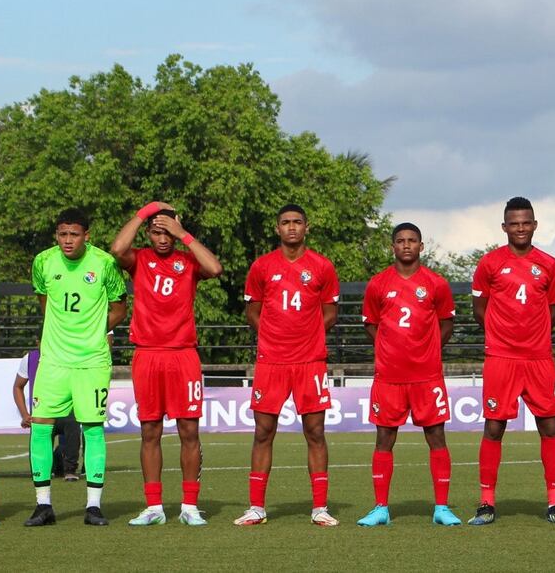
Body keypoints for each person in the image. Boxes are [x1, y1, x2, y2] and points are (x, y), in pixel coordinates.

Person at [111, 201, 223, 526]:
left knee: (189, 430)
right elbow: (118, 247)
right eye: (157, 232)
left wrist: (183, 233)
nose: (162, 238)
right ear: (148, 233)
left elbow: (215, 269)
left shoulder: (188, 262)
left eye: (167, 232)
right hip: (147, 354)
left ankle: (189, 506)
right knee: (150, 431)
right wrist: (145, 212)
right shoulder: (139, 260)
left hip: (182, 355)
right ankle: (154, 507)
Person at [235, 204, 340, 527]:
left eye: (297, 222)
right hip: (272, 361)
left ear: (306, 227)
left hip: (310, 362)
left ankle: (320, 508)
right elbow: (252, 311)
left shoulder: (322, 266)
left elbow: (330, 313)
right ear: (277, 228)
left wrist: (306, 338)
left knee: (315, 431)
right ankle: (256, 507)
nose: (291, 227)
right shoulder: (262, 267)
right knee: (263, 431)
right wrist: (273, 336)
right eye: (285, 223)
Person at [468, 197, 555, 525]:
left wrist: (532, 336)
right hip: (501, 357)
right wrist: (504, 335)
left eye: (526, 222)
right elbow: (479, 309)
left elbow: (553, 310)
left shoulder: (549, 264)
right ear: (504, 227)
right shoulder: (489, 263)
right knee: (494, 426)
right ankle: (486, 502)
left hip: (539, 357)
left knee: (549, 426)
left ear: (535, 225)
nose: (521, 228)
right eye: (514, 223)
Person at [24, 208, 127, 527]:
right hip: (53, 361)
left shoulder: (105, 263)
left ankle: (93, 507)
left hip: (91, 361)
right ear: (56, 234)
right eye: (62, 234)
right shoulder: (43, 262)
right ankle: (43, 506)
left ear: (87, 236)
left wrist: (95, 332)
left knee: (92, 429)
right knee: (40, 427)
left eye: (74, 234)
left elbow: (120, 307)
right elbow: (45, 302)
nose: (67, 241)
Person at [356, 222, 462, 527]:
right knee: (384, 438)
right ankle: (380, 508)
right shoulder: (378, 284)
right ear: (393, 246)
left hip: (427, 377)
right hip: (389, 376)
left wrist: (426, 349)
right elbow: (370, 323)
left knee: (437, 436)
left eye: (412, 241)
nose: (406, 245)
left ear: (421, 246)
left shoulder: (436, 283)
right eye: (400, 241)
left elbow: (447, 323)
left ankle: (441, 507)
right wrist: (388, 348)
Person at [12, 350, 81, 481]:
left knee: (73, 426)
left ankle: (69, 469)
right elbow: (17, 386)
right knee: (39, 470)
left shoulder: (69, 353)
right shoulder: (30, 358)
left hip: (67, 410)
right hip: (41, 411)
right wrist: (25, 414)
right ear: (38, 342)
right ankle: (55, 461)